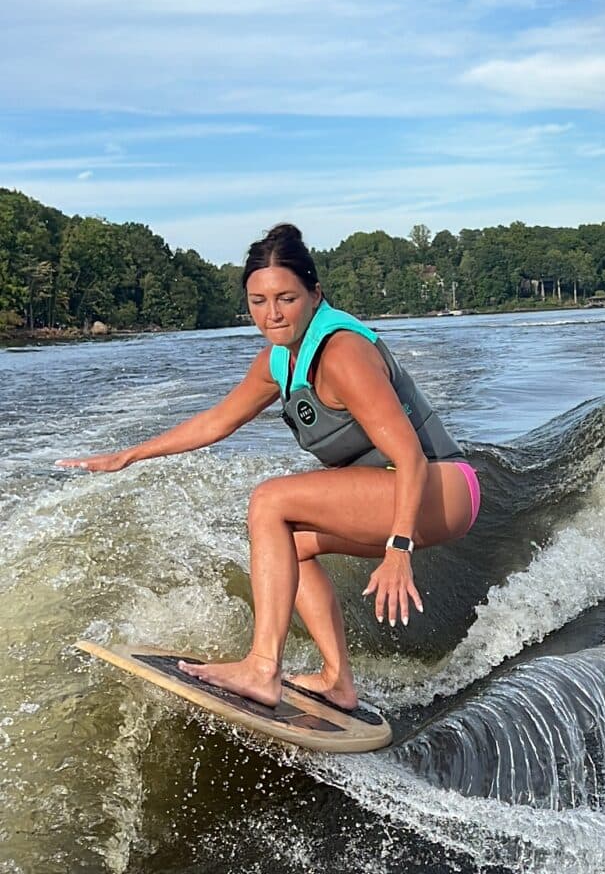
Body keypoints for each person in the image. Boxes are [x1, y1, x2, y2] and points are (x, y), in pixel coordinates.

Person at [58, 223, 480, 712]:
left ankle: (262, 667)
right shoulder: (279, 360)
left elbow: (409, 455)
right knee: (291, 547)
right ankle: (338, 680)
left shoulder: (341, 354)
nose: (271, 314)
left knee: (270, 499)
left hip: (439, 486)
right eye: (258, 301)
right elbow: (217, 421)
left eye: (285, 298)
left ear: (314, 293)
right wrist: (128, 455)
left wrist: (399, 549)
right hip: (401, 489)